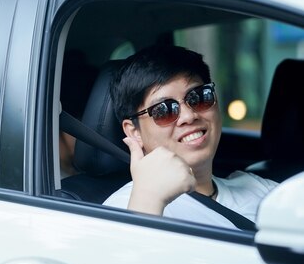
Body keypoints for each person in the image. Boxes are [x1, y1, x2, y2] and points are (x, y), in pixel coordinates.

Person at [103, 44, 277, 229]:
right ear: (134, 132)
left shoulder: (260, 188)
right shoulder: (126, 207)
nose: (188, 116)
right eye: (164, 110)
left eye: (199, 97)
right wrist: (148, 200)